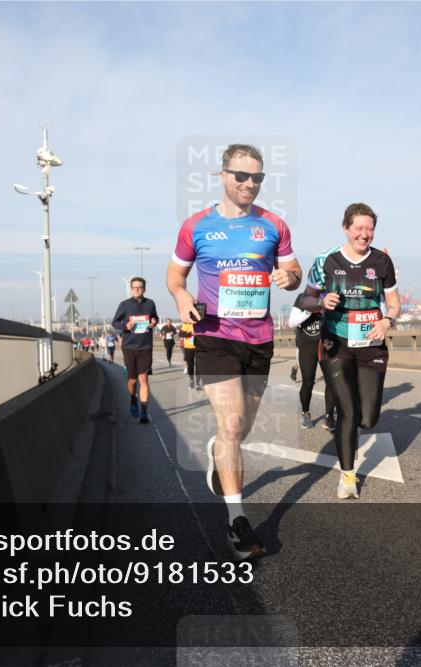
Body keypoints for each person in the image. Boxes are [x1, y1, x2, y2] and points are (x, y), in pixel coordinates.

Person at [167, 143, 302, 561]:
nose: (249, 184)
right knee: (232, 423)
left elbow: (295, 274)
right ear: (222, 176)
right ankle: (236, 520)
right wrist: (180, 298)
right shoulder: (197, 226)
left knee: (240, 430)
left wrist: (288, 278)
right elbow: (175, 276)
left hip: (258, 340)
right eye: (241, 176)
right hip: (215, 336)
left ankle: (217, 451)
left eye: (257, 178)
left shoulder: (274, 225)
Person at [300, 203, 400, 499]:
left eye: (370, 229)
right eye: (358, 228)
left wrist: (387, 320)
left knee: (367, 419)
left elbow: (393, 302)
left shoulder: (383, 262)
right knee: (348, 411)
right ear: (346, 228)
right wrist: (320, 302)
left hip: (371, 345)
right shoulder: (328, 261)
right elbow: (305, 298)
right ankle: (347, 476)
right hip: (336, 344)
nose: (364, 234)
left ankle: (354, 427)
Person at [111, 277, 159, 424]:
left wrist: (154, 322)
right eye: (134, 287)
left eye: (140, 287)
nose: (137, 289)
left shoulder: (150, 303)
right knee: (132, 380)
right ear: (131, 289)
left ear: (144, 288)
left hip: (145, 346)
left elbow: (155, 318)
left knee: (143, 378)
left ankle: (144, 412)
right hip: (130, 346)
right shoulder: (124, 305)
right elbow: (114, 322)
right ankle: (133, 399)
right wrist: (126, 326)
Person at [287, 293, 337, 430]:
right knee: (308, 381)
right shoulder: (302, 298)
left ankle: (329, 416)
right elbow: (291, 322)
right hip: (307, 344)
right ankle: (305, 412)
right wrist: (311, 310)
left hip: (327, 343)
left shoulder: (331, 294)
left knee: (332, 380)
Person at [179, 321, 200, 389]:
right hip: (189, 348)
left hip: (199, 347)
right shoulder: (187, 324)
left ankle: (197, 383)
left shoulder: (200, 323)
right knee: (190, 366)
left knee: (199, 366)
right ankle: (191, 381)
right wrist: (190, 333)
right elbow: (181, 334)